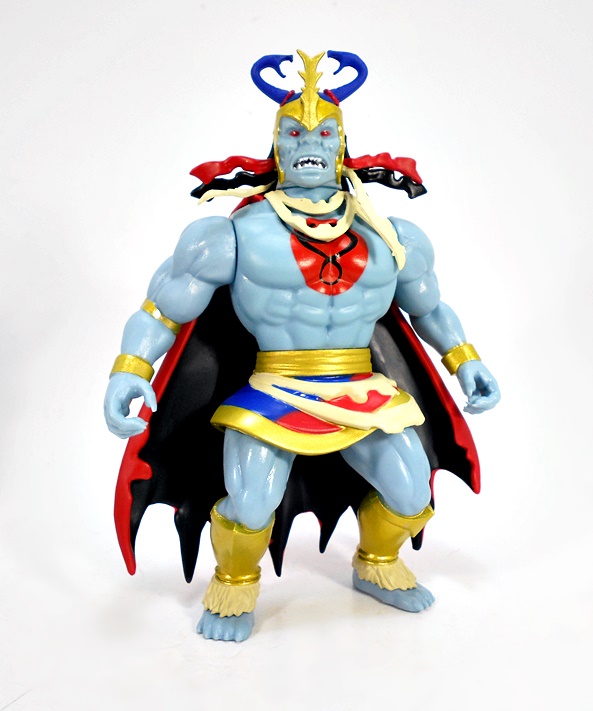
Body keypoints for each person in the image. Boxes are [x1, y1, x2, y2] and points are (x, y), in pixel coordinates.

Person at [104, 50, 500, 642]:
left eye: (322, 133)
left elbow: (429, 309)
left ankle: (378, 562)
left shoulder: (393, 236)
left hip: (362, 389)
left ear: (342, 146)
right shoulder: (233, 235)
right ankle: (234, 586)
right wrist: (129, 369)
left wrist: (465, 360)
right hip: (274, 389)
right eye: (293, 133)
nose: (308, 143)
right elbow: (162, 307)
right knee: (251, 501)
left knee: (411, 489)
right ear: (275, 146)